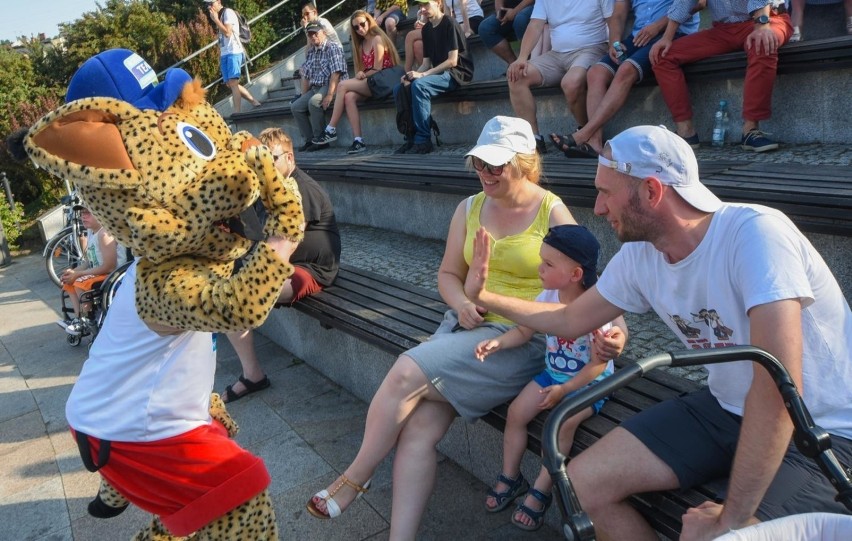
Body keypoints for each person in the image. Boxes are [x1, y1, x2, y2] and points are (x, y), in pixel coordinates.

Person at [463, 124, 852, 541]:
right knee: (579, 486)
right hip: (725, 408)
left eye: (606, 192)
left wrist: (732, 519)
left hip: (822, 426)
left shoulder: (755, 234)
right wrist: (487, 295)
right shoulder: (640, 256)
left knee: (718, 538)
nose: (596, 207)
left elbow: (777, 386)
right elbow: (570, 320)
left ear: (651, 191)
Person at [305, 116, 576, 537]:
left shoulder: (551, 211)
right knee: (416, 433)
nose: (484, 173)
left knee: (405, 371)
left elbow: (581, 283)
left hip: (519, 341)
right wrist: (464, 303)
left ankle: (354, 479)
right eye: (479, 164)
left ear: (523, 162)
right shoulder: (469, 208)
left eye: (495, 165)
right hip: (465, 327)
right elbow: (448, 274)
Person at [478, 224, 627, 531]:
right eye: (541, 260)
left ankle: (541, 491)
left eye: (548, 264)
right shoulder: (547, 295)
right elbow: (523, 330)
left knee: (562, 422)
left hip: (590, 382)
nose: (539, 268)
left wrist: (566, 389)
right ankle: (511, 475)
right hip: (553, 374)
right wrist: (499, 342)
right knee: (517, 412)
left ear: (575, 274)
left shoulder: (595, 306)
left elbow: (598, 365)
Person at [222, 127, 341, 402]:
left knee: (239, 297)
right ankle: (253, 375)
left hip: (311, 270)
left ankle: (253, 377)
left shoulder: (301, 188)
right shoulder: (270, 189)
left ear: (289, 157)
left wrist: (253, 278)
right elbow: (259, 234)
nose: (266, 167)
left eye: (271, 159)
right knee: (228, 293)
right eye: (260, 161)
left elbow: (286, 243)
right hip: (288, 266)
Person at [549, 0, 700, 158]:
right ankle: (594, 143)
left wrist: (657, 26)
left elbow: (696, 3)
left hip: (673, 33)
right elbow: (619, 14)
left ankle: (583, 134)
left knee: (626, 69)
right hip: (639, 37)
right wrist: (614, 43)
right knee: (595, 72)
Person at [650, 0, 792, 152]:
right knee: (663, 57)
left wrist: (762, 25)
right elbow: (684, 3)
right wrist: (666, 37)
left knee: (763, 43)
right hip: (724, 30)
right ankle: (686, 132)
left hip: (768, 18)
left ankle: (751, 131)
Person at [506, 0, 613, 155]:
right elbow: (535, 25)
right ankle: (533, 140)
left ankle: (587, 132)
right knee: (516, 76)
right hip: (557, 54)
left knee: (571, 83)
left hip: (592, 48)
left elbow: (613, 19)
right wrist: (522, 57)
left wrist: (614, 45)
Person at [310, 10, 402, 154]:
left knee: (342, 85)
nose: (360, 29)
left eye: (362, 24)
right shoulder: (360, 45)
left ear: (369, 21)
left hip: (383, 82)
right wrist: (362, 74)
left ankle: (330, 129)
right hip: (372, 84)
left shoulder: (378, 38)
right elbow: (365, 71)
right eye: (356, 27)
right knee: (348, 96)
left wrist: (362, 74)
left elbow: (377, 68)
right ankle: (358, 140)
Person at [393, 0, 474, 155]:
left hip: (457, 73)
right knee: (400, 88)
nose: (422, 9)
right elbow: (426, 63)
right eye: (420, 6)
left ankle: (423, 140)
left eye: (426, 5)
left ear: (438, 3)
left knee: (419, 86)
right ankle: (411, 137)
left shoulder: (449, 23)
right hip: (439, 72)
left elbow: (452, 61)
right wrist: (411, 75)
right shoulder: (427, 29)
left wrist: (423, 75)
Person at [58, 206, 118, 336]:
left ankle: (88, 320)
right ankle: (79, 319)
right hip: (96, 272)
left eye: (88, 213)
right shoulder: (91, 232)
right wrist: (73, 271)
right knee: (68, 281)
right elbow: (88, 262)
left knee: (79, 281)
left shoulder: (104, 234)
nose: (83, 216)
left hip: (109, 275)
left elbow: (110, 266)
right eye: (82, 213)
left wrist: (78, 274)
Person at [292, 22, 348, 152]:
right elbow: (306, 73)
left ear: (323, 32)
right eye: (310, 34)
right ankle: (309, 139)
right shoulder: (312, 51)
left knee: (313, 102)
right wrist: (302, 96)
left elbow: (336, 74)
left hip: (332, 84)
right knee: (296, 106)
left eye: (315, 33)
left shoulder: (332, 48)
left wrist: (329, 95)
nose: (313, 36)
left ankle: (320, 140)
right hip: (316, 86)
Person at [204, 0, 261, 114]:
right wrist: (216, 19)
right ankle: (254, 101)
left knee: (233, 83)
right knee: (230, 84)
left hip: (234, 51)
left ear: (219, 1)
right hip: (225, 53)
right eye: (207, 4)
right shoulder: (219, 15)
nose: (209, 6)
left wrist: (215, 20)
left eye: (211, 3)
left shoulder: (227, 12)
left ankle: (237, 113)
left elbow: (228, 33)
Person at [404, 0, 485, 71]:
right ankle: (416, 74)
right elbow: (447, 15)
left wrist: (467, 31)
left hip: (472, 19)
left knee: (411, 35)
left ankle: (409, 72)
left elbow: (464, 7)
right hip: (458, 21)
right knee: (417, 44)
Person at [478, 0, 537, 67]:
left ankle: (528, 62)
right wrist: (500, 12)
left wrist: (515, 11)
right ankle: (514, 65)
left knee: (520, 20)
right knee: (485, 28)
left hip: (533, 7)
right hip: (510, 10)